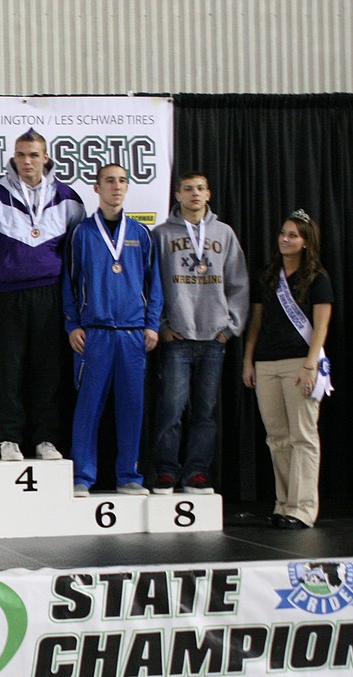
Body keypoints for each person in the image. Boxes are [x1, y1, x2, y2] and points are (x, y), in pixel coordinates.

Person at [0, 130, 85, 460]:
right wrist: (4, 273)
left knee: (47, 370)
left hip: (49, 295)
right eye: (21, 155)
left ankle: (45, 438)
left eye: (34, 155)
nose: (27, 161)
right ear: (13, 158)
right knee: (8, 369)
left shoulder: (68, 198)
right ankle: (9, 437)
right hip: (7, 296)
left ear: (45, 157)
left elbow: (77, 250)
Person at [63, 164, 163, 497]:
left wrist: (151, 324)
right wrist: (72, 324)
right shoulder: (82, 232)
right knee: (88, 407)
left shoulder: (141, 233)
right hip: (95, 332)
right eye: (109, 181)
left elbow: (155, 284)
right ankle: (82, 476)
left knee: (131, 407)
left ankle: (129, 475)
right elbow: (70, 284)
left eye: (122, 181)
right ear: (97, 188)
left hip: (133, 333)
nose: (116, 187)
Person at [151, 173, 249, 495]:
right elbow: (149, 284)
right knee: (172, 408)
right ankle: (166, 471)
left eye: (201, 189)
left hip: (213, 338)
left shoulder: (224, 233)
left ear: (209, 194)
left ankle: (196, 472)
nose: (195, 194)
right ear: (178, 194)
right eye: (188, 189)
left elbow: (238, 283)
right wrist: (163, 326)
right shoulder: (162, 235)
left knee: (205, 412)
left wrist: (230, 327)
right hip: (177, 337)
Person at [242, 209, 332, 529]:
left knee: (303, 437)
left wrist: (310, 364)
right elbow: (256, 321)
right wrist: (248, 360)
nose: (285, 238)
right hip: (266, 362)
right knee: (277, 438)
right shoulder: (268, 276)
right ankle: (284, 504)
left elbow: (321, 326)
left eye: (293, 235)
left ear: (306, 242)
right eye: (283, 233)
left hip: (299, 362)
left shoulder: (317, 277)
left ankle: (303, 508)